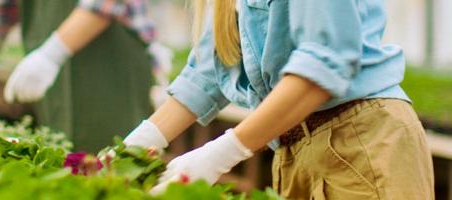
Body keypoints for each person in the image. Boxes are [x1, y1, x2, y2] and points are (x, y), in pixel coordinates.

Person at [123, 0, 435, 198]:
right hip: (294, 150)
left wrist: (220, 153)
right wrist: (131, 150)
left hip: (358, 142)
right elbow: (209, 69)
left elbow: (323, 65)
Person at [0, 0, 173, 152]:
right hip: (54, 75)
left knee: (112, 167)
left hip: (111, 67)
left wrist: (53, 53)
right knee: (66, 161)